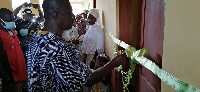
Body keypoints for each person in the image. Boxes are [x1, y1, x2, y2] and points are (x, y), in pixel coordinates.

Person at [26, 0, 128, 91]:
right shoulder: (58, 47)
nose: (72, 16)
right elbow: (88, 79)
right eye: (69, 12)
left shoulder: (37, 37)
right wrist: (113, 63)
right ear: (57, 15)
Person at [0, 8, 28, 92]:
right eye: (9, 20)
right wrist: (6, 78)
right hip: (11, 79)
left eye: (13, 20)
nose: (12, 22)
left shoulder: (12, 32)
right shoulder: (1, 36)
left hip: (21, 74)